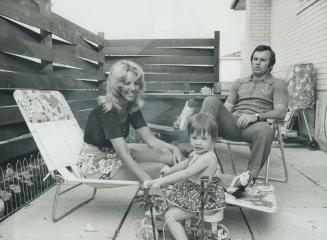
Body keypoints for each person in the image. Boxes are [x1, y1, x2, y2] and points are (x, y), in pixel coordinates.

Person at [143, 113, 250, 240]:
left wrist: (162, 180)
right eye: (194, 138)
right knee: (172, 195)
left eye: (204, 139)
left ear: (213, 140)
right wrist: (169, 170)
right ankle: (182, 225)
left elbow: (186, 173)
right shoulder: (197, 152)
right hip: (195, 195)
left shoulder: (208, 158)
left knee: (169, 216)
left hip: (201, 200)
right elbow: (185, 164)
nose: (198, 143)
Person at [80, 60, 183, 183]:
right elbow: (125, 157)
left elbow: (151, 140)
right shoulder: (107, 111)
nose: (133, 88)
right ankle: (187, 183)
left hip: (117, 155)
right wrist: (149, 183)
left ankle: (189, 179)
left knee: (166, 154)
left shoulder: (131, 107)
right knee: (160, 169)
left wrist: (175, 149)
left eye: (137, 83)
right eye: (127, 83)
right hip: (99, 165)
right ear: (116, 85)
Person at [200, 45, 289, 182]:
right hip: (233, 123)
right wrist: (211, 108)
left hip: (255, 128)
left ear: (270, 65)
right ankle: (200, 162)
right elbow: (227, 108)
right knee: (211, 100)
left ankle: (247, 179)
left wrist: (256, 116)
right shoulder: (239, 82)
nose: (257, 62)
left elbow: (281, 112)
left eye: (263, 60)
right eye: (255, 59)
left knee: (265, 130)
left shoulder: (278, 84)